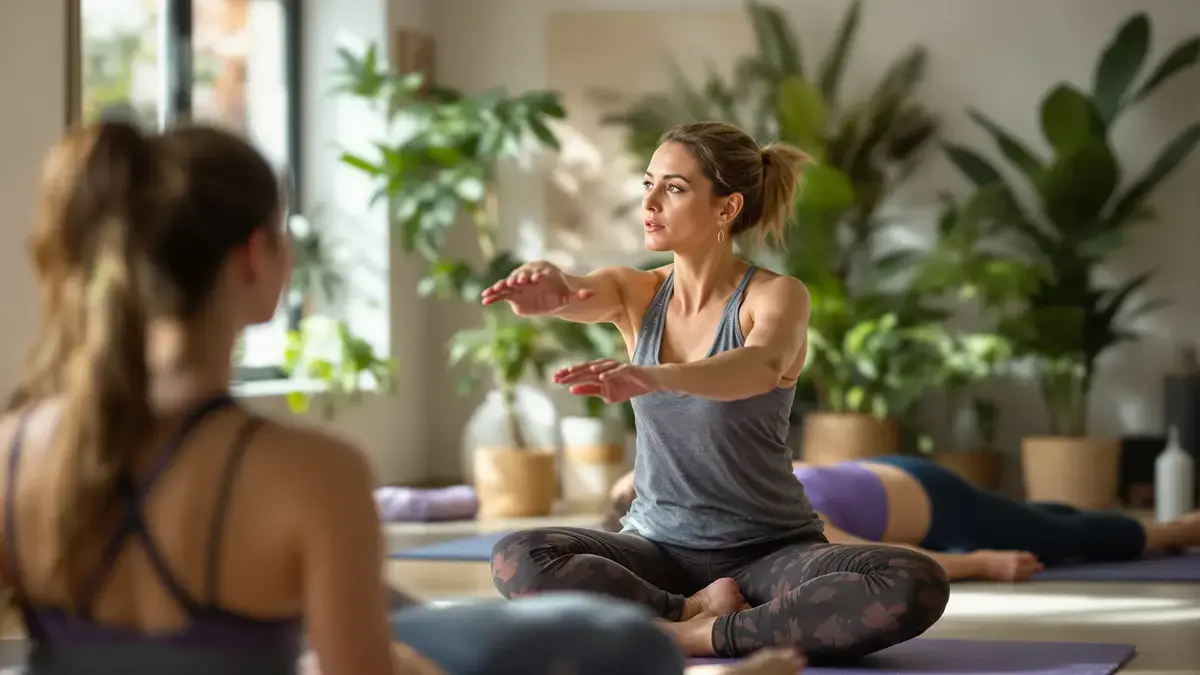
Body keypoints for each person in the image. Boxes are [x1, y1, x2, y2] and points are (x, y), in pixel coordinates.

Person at [0, 121, 802, 675]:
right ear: (257, 256)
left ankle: (686, 628)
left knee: (445, 615)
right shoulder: (311, 471)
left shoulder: (16, 445)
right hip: (648, 558)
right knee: (598, 639)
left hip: (759, 537)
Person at [480, 121, 951, 664]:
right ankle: (686, 611)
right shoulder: (637, 292)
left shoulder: (777, 296)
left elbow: (756, 366)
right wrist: (554, 292)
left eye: (674, 188)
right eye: (648, 184)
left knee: (913, 579)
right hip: (657, 550)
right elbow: (579, 291)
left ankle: (693, 635)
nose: (651, 201)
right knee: (519, 555)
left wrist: (659, 375)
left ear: (727, 209)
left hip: (771, 553)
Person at [602, 454, 1200, 582]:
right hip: (907, 492)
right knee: (1036, 519)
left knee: (1058, 536)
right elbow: (864, 553)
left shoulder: (752, 490)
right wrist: (986, 561)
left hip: (931, 497)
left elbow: (881, 561)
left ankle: (1179, 530)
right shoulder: (748, 504)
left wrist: (981, 563)